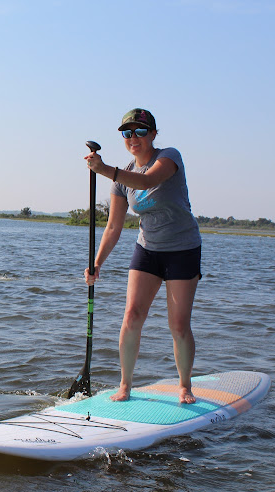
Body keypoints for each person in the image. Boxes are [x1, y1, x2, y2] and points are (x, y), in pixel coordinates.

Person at [84, 108, 201, 404]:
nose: (133, 138)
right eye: (127, 133)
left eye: (139, 131)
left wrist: (104, 169)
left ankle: (185, 385)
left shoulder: (169, 157)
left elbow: (147, 182)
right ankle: (125, 384)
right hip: (147, 249)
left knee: (178, 324)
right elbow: (113, 226)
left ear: (153, 134)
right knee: (132, 315)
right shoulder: (121, 179)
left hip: (182, 249)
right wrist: (96, 264)